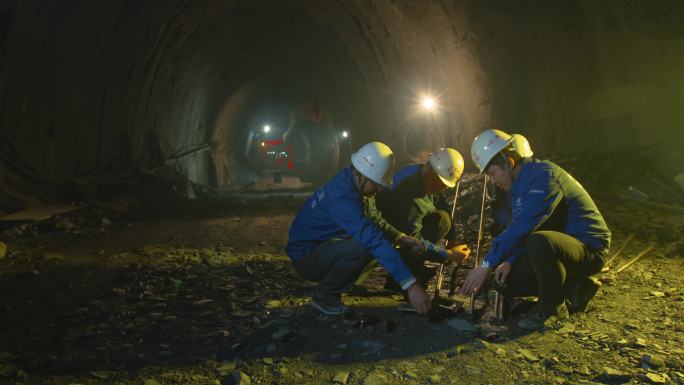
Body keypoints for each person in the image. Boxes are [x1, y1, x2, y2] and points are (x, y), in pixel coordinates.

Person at [460, 129, 611, 329]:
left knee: (540, 243)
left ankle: (552, 307)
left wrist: (486, 263)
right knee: (505, 282)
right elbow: (531, 228)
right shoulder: (519, 189)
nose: (493, 181)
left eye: (493, 173)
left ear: (509, 163)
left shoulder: (543, 176)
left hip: (588, 249)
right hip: (559, 247)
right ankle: (576, 287)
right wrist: (510, 261)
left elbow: (525, 227)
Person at [285, 142, 432, 315]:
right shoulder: (344, 200)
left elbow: (374, 220)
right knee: (363, 246)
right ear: (360, 174)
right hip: (306, 258)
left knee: (374, 242)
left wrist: (400, 237)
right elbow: (372, 239)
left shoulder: (354, 183)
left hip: (320, 247)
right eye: (377, 183)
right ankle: (324, 296)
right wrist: (411, 285)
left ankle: (342, 283)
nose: (379, 189)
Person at [373, 148, 471, 289]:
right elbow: (413, 239)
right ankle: (402, 280)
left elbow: (442, 203)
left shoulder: (423, 174)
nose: (442, 189)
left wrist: (452, 238)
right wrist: (448, 255)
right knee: (427, 231)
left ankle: (413, 267)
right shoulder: (410, 191)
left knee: (443, 219)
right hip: (388, 231)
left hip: (402, 224)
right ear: (433, 174)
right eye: (442, 184)